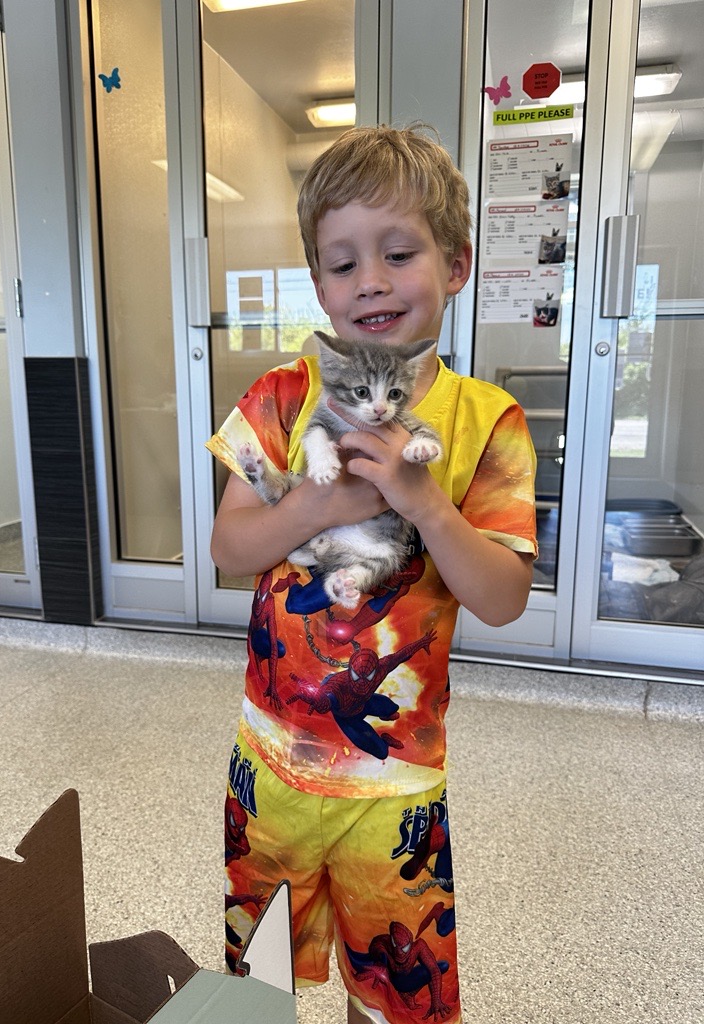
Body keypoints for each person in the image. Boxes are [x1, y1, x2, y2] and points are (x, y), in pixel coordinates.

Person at [207, 123, 538, 1024]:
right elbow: (229, 552)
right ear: (318, 285)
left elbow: (503, 599)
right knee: (258, 977)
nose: (373, 282)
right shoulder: (279, 398)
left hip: (394, 783)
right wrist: (314, 508)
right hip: (268, 763)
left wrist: (428, 504)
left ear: (457, 263)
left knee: (394, 992)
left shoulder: (488, 420)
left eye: (399, 253)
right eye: (343, 264)